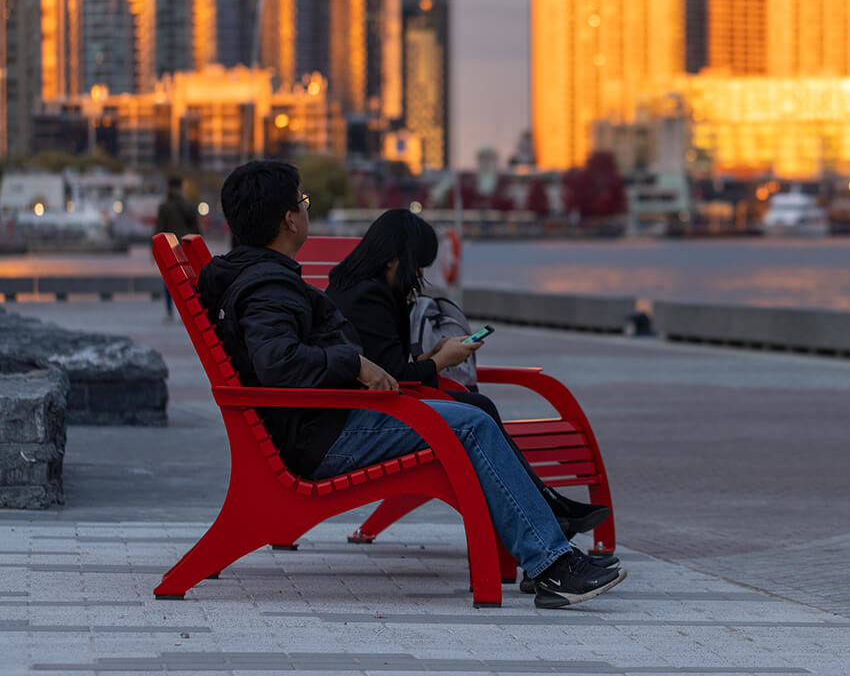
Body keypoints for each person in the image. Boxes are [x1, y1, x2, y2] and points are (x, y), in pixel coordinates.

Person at [195, 160, 625, 608]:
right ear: (289, 218)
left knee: (469, 416)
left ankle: (548, 554)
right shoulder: (267, 286)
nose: (305, 210)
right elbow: (278, 362)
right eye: (302, 202)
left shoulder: (256, 276)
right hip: (320, 434)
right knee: (469, 424)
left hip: (319, 420)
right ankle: (553, 565)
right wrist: (356, 364)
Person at [324, 208, 612, 541]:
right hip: (369, 418)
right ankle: (547, 508)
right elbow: (392, 376)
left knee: (478, 406)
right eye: (418, 264)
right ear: (394, 259)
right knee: (478, 409)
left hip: (375, 405)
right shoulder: (368, 296)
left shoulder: (358, 287)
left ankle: (547, 507)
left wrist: (432, 355)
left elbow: (383, 363)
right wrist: (442, 361)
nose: (419, 274)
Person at [155, 175, 201, 319]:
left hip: (169, 247)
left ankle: (170, 312)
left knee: (169, 281)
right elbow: (197, 229)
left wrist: (154, 249)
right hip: (185, 246)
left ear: (169, 187)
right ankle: (191, 310)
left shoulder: (164, 207)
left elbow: (159, 229)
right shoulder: (189, 205)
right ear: (181, 187)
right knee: (188, 280)